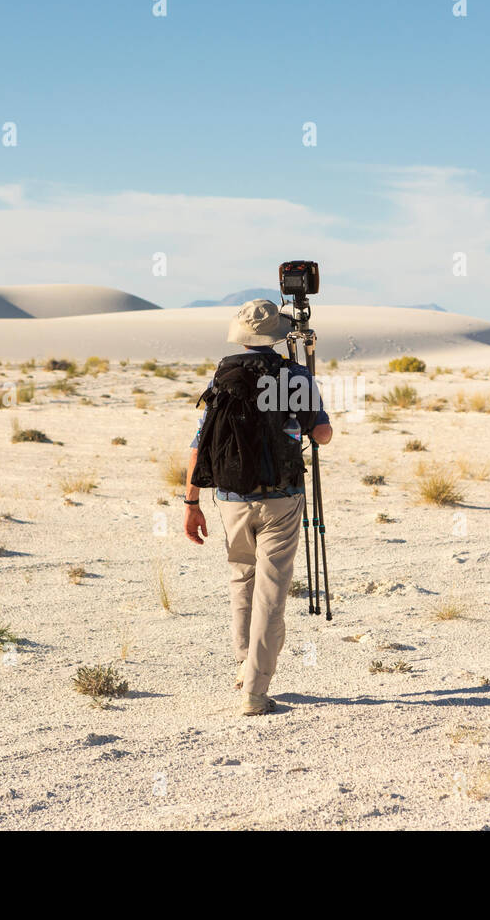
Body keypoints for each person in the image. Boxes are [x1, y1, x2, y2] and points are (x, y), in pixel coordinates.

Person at [184, 299, 332, 716]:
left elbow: (200, 443)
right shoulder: (296, 375)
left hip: (230, 496)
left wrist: (190, 501)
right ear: (278, 336)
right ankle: (254, 691)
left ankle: (242, 668)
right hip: (282, 496)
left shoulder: (223, 375)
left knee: (242, 581)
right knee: (271, 591)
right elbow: (320, 434)